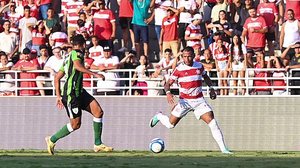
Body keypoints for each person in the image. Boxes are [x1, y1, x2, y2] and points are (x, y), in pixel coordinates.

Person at [149, 46, 232, 154]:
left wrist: (211, 88)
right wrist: (168, 93)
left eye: (189, 56)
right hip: (184, 102)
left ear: (193, 56)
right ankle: (159, 116)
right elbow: (167, 84)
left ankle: (224, 149)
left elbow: (206, 77)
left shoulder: (199, 66)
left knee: (213, 122)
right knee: (170, 125)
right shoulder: (179, 69)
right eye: (184, 57)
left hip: (199, 101)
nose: (187, 59)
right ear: (182, 57)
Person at [45, 34, 113, 155]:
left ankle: (98, 144)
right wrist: (95, 74)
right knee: (75, 125)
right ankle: (51, 139)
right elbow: (77, 66)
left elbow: (57, 78)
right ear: (82, 45)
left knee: (98, 112)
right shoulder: (77, 53)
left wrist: (58, 96)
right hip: (71, 95)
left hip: (80, 92)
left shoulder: (67, 57)